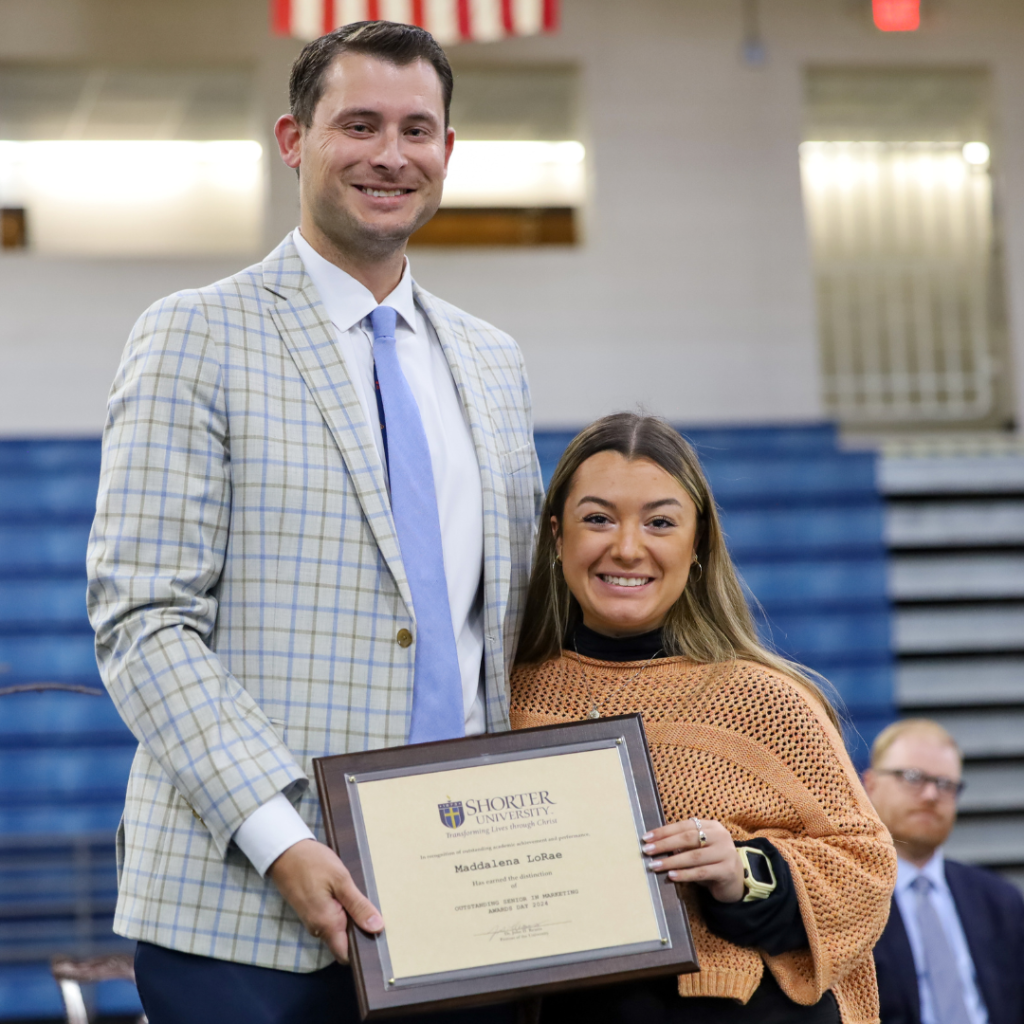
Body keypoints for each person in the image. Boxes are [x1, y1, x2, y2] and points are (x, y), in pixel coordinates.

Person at [86, 21, 542, 1024]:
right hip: (241, 906)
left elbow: (503, 634)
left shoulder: (493, 361)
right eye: (360, 124)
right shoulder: (194, 333)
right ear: (294, 140)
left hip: (460, 900)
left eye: (417, 129)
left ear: (448, 152)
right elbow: (142, 617)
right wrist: (279, 835)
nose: (391, 154)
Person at [509, 412, 896, 1024]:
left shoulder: (766, 699)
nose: (628, 547)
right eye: (598, 519)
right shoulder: (496, 697)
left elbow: (866, 871)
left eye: (660, 522)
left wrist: (744, 869)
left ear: (698, 545)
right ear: (557, 537)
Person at [863, 719, 1024, 1024]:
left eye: (945, 784)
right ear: (870, 785)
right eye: (911, 777)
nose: (930, 795)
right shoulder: (842, 901)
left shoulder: (1001, 902)